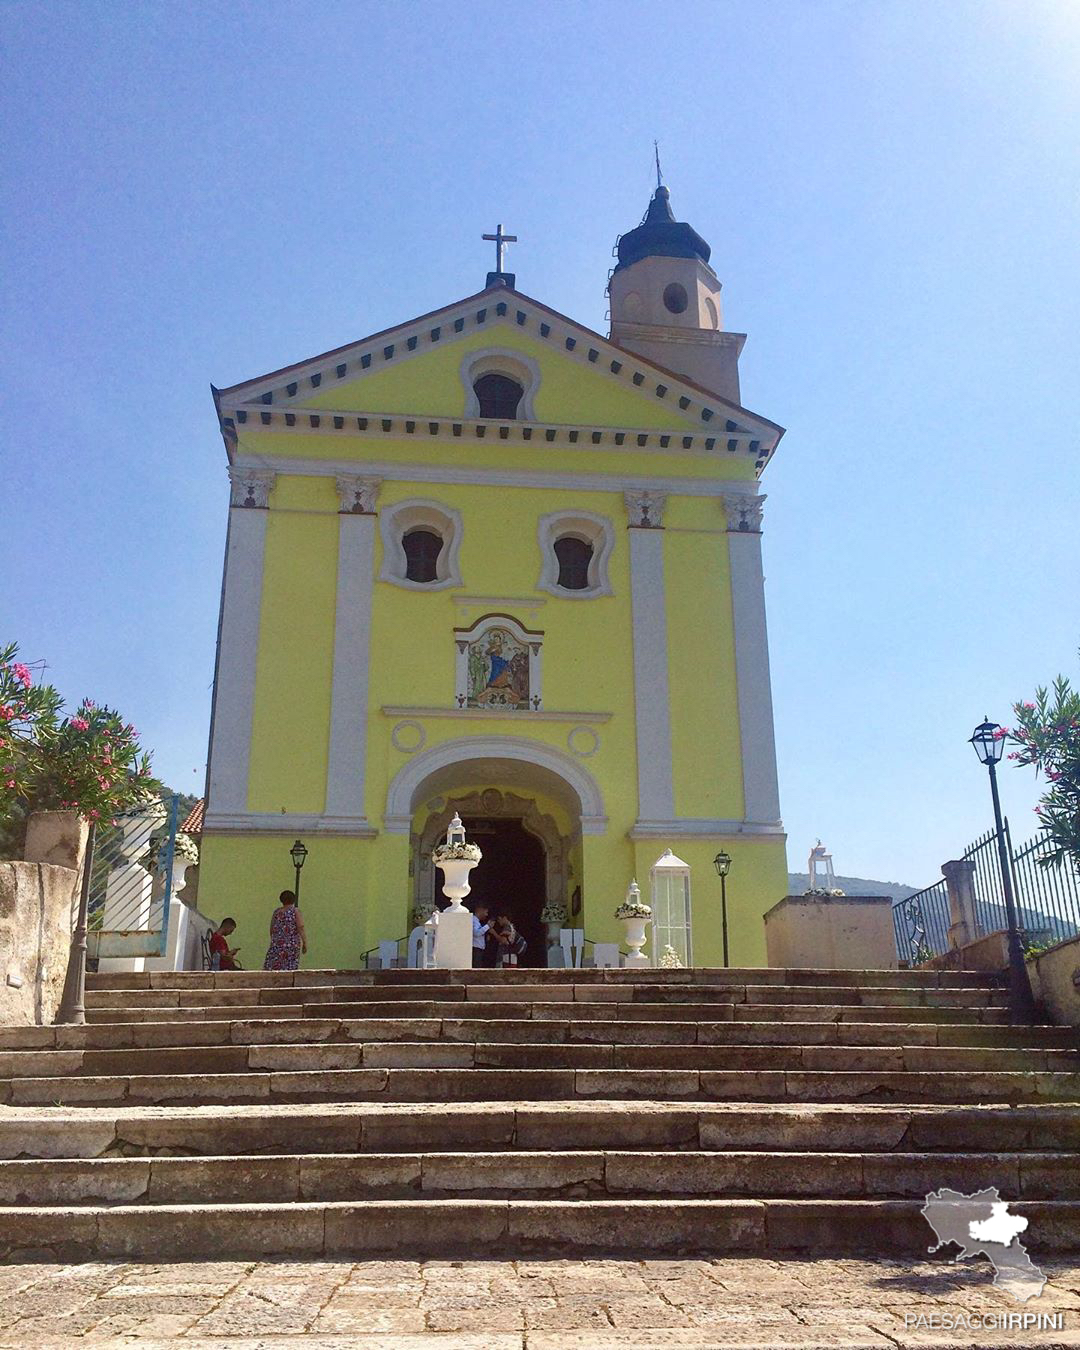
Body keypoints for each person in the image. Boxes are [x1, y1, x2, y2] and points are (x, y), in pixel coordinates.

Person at [263, 890, 307, 971]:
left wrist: (274, 940)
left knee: (275, 965)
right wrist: (304, 942)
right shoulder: (295, 911)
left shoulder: (277, 912)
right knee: (289, 966)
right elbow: (300, 927)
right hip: (291, 944)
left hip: (277, 943)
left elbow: (272, 928)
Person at [470, 903, 491, 968]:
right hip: (475, 949)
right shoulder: (473, 920)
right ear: (480, 910)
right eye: (486, 912)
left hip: (478, 949)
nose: (486, 915)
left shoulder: (477, 921)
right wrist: (488, 926)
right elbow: (476, 933)